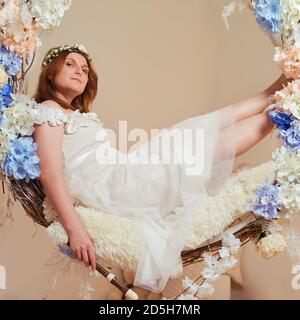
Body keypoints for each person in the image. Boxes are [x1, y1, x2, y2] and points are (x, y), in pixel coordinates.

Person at [32, 43, 290, 293]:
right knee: (190, 139)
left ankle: (276, 101)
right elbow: (50, 173)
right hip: (118, 188)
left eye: (85, 69)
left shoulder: (72, 114)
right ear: (51, 72)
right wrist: (74, 229)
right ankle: (278, 104)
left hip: (122, 177)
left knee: (192, 136)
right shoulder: (49, 110)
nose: (79, 71)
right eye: (70, 64)